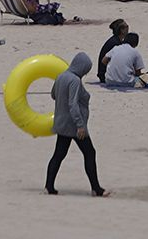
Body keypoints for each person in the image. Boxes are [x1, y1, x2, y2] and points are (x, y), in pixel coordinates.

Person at [46, 53, 108, 197]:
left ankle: (49, 186)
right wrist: (80, 125)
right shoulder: (74, 80)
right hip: (73, 125)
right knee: (89, 153)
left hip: (61, 122)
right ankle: (96, 189)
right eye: (85, 70)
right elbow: (73, 104)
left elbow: (53, 94)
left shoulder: (61, 76)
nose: (85, 73)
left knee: (59, 154)